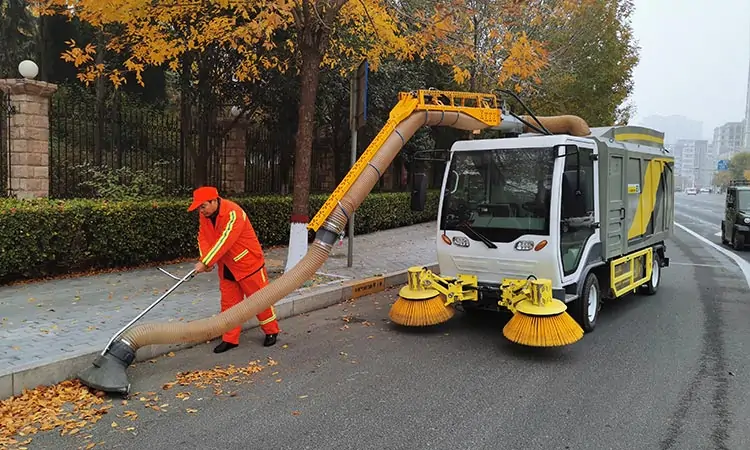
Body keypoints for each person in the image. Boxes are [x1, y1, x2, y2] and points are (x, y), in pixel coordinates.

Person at [187, 186, 280, 353]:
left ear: (214, 201)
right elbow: (203, 237)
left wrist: (207, 260)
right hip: (227, 266)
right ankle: (230, 339)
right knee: (229, 304)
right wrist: (205, 260)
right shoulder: (205, 216)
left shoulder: (233, 213)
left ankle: (271, 331)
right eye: (199, 207)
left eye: (203, 206)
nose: (201, 211)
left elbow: (225, 241)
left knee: (260, 300)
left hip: (247, 263)